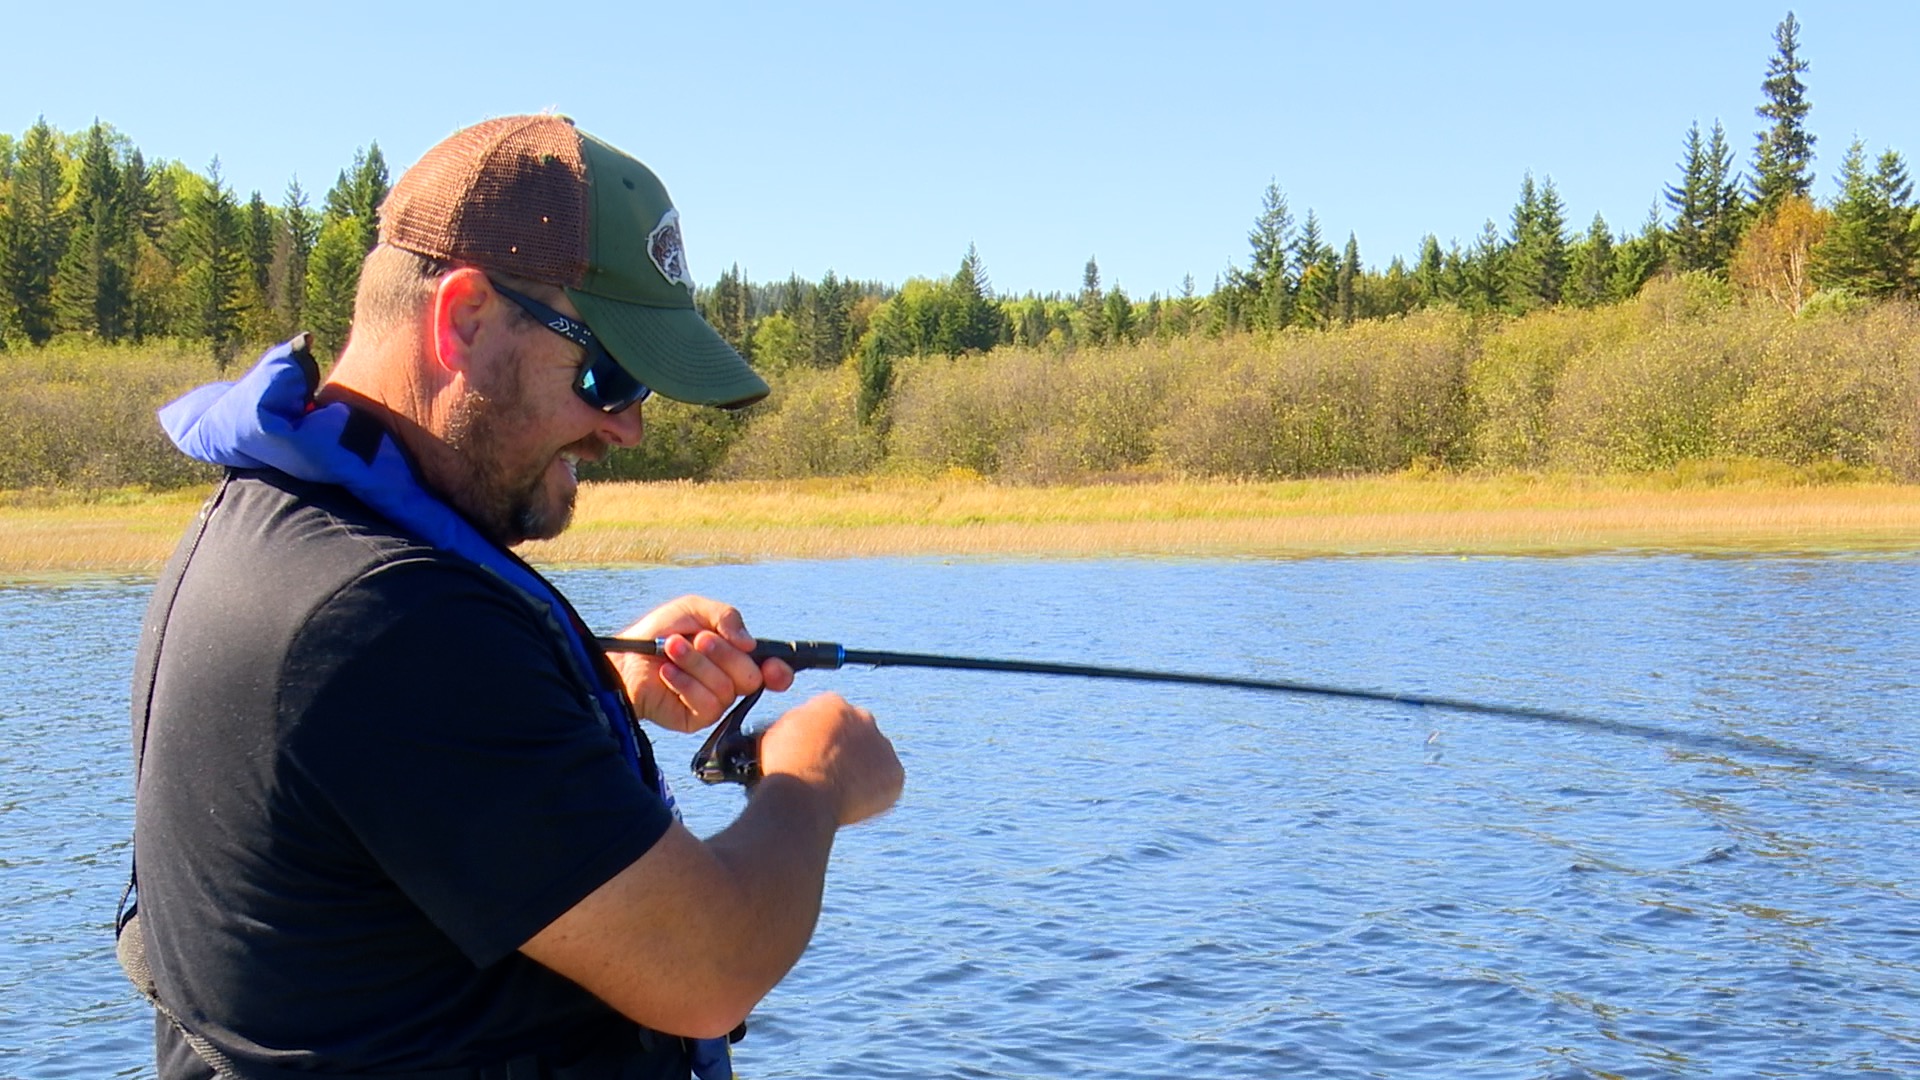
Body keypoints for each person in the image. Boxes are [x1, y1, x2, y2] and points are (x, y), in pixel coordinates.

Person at [124, 114, 904, 1080]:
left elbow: (396, 794)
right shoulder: (386, 624)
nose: (628, 430)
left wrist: (594, 694)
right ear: (461, 321)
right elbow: (710, 964)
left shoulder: (264, 532)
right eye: (607, 374)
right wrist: (811, 776)